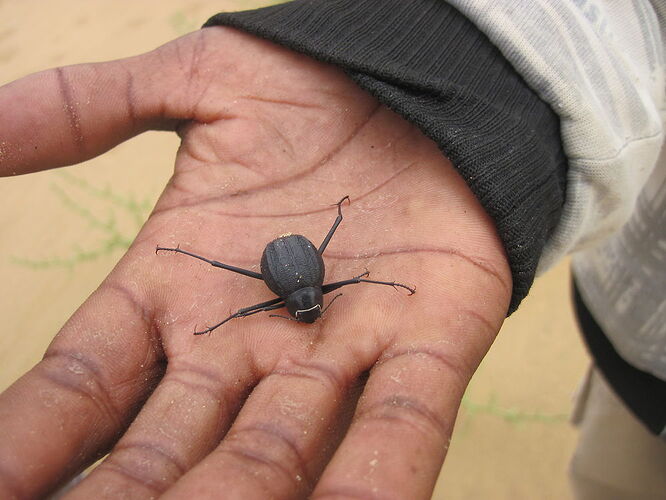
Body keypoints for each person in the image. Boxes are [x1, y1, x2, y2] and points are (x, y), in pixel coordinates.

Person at [0, 1, 663, 499]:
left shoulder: (300, 289)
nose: (309, 310)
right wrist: (478, 61)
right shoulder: (307, 284)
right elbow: (327, 250)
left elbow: (321, 256)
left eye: (308, 307)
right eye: (311, 307)